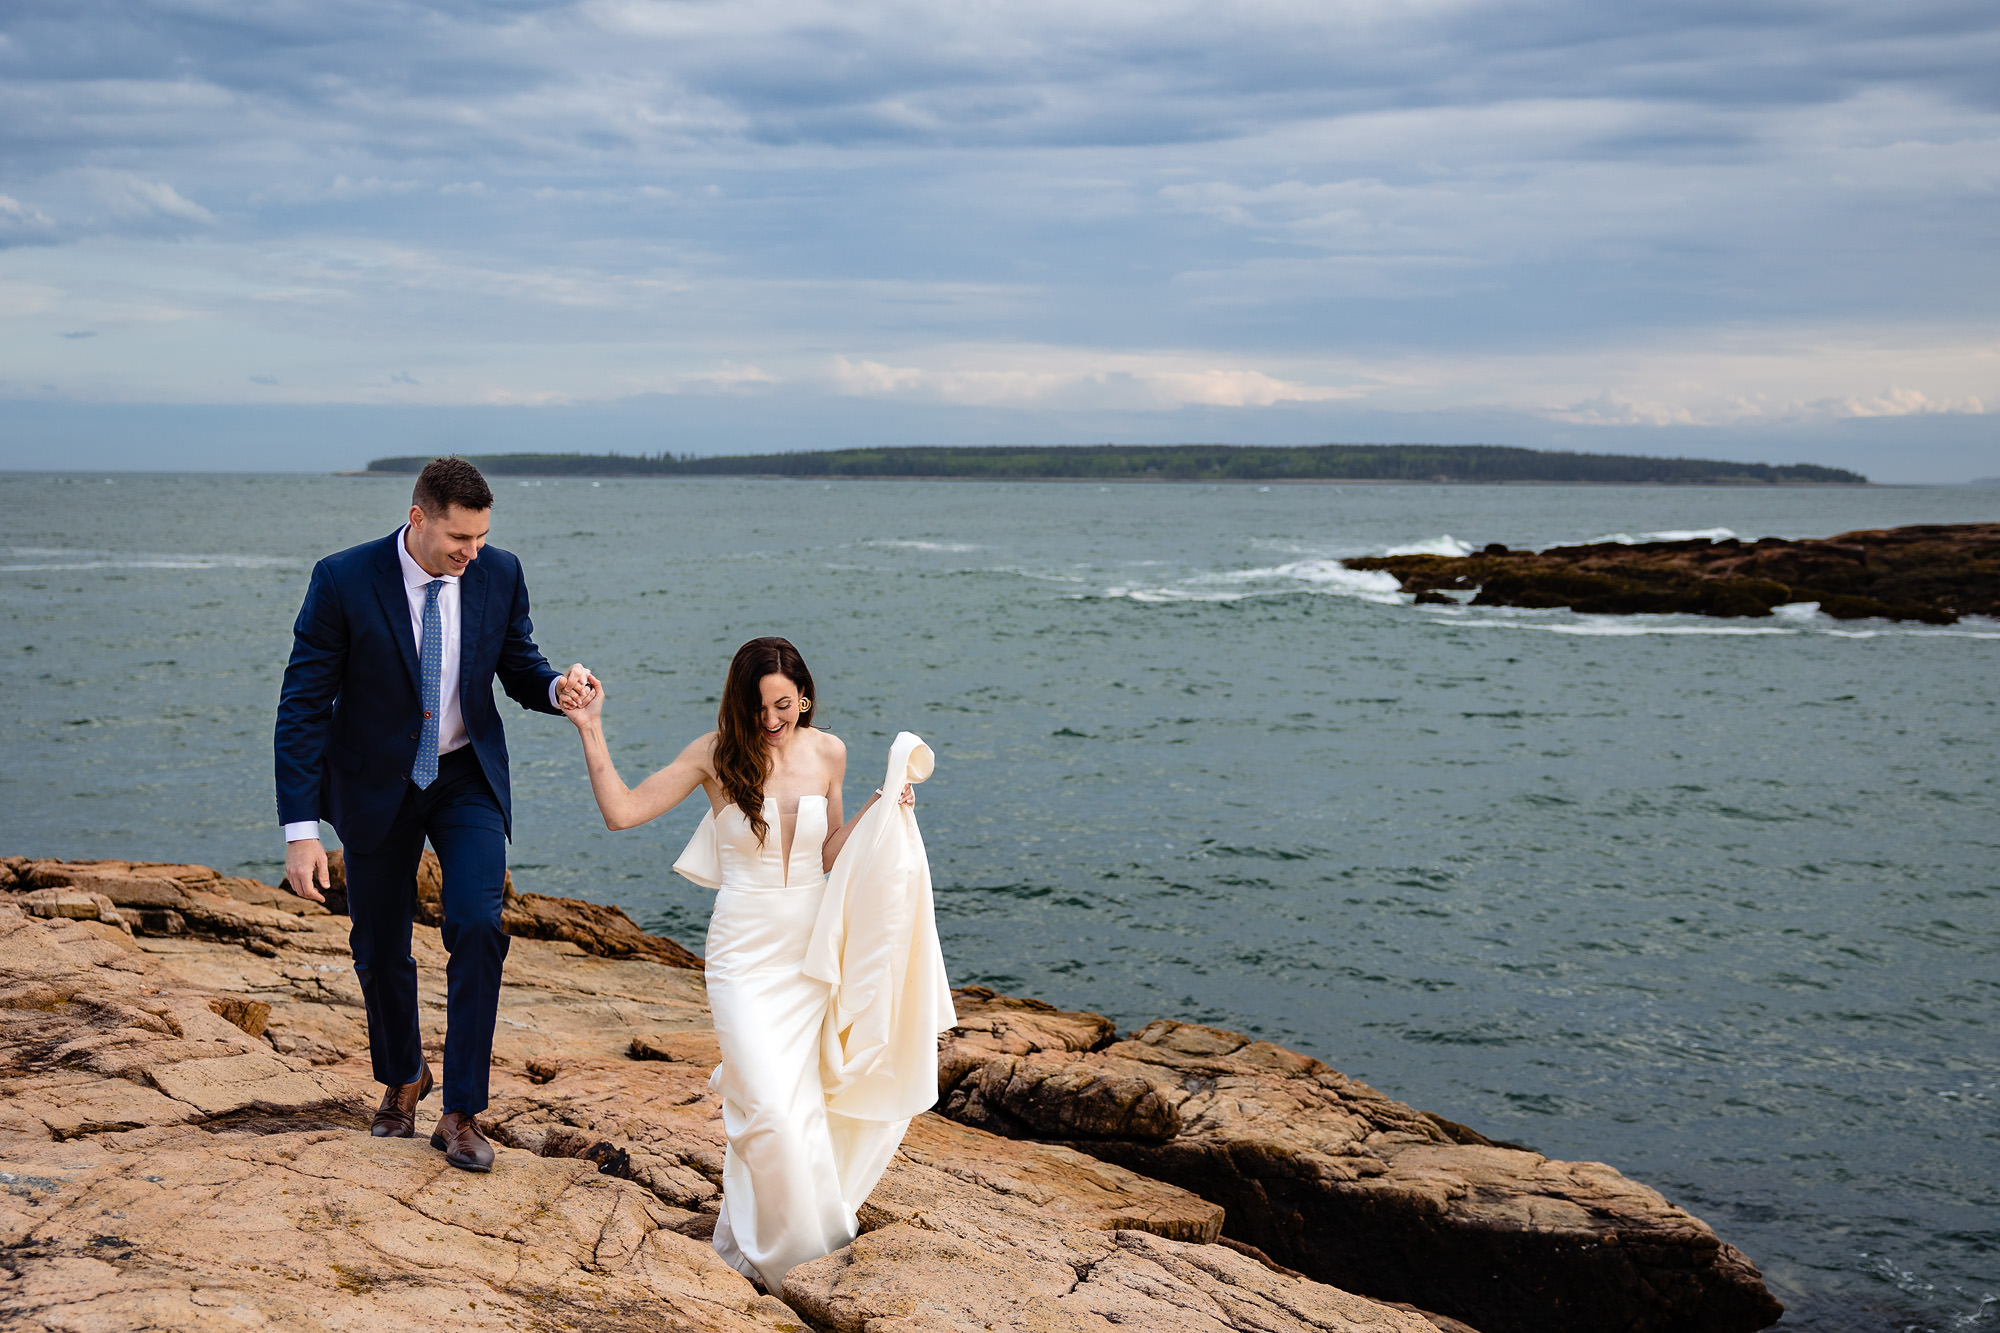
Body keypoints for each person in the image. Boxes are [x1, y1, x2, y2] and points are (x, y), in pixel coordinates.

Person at [558, 636, 916, 1291]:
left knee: (800, 1108)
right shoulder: (715, 754)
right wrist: (591, 726)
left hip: (810, 955)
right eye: (759, 707)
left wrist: (879, 808)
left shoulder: (829, 751)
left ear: (803, 696)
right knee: (769, 1109)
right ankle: (796, 1254)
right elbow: (622, 811)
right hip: (743, 955)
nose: (772, 719)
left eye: (784, 704)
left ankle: (754, 1243)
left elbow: (831, 852)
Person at [273, 456, 594, 1172]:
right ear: (418, 518)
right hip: (374, 781)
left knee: (478, 921)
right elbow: (301, 707)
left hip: (464, 775)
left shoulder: (499, 572)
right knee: (380, 944)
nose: (471, 552)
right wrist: (302, 832)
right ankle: (403, 1075)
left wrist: (555, 690)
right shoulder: (343, 579)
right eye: (458, 538)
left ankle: (461, 1111)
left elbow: (519, 663)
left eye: (481, 537)